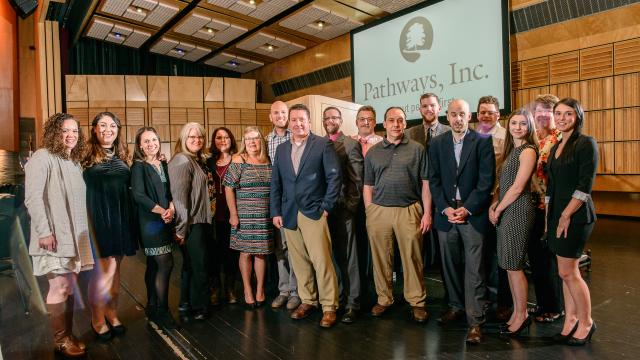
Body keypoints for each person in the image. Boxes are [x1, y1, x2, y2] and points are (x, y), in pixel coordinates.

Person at [25, 113, 92, 357]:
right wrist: (44, 231)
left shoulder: (72, 161)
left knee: (69, 286)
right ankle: (61, 340)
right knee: (59, 286)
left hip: (72, 237)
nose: (71, 135)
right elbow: (33, 197)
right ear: (55, 132)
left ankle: (69, 333)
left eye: (75, 131)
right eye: (65, 130)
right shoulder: (42, 157)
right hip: (52, 236)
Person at [428, 99, 495, 344]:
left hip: (472, 214)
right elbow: (433, 180)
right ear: (447, 116)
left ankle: (475, 321)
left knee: (474, 269)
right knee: (449, 265)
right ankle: (456, 306)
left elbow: (486, 182)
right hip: (446, 215)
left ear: (470, 117)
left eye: (462, 114)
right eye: (454, 114)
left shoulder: (482, 142)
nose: (458, 118)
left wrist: (466, 208)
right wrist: (445, 208)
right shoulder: (436, 144)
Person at [270, 103, 341, 328]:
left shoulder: (322, 144)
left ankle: (329, 306)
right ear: (289, 123)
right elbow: (276, 183)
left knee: (322, 261)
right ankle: (308, 300)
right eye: (294, 120)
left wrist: (327, 207)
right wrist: (276, 211)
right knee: (299, 262)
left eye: (302, 119)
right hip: (289, 213)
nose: (298, 123)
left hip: (314, 212)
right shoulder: (281, 149)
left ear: (309, 122)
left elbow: (334, 178)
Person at [363, 107, 431, 323]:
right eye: (391, 120)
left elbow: (426, 184)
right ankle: (384, 299)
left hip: (409, 209)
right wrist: (369, 212)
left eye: (400, 120)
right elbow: (368, 186)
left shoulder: (417, 149)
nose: (396, 124)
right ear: (384, 123)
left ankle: (417, 302)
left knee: (413, 258)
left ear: (405, 124)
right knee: (381, 259)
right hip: (379, 212)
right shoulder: (373, 152)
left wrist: (427, 213)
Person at [546, 98, 598, 346]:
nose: (562, 118)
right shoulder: (556, 145)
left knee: (569, 272)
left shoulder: (586, 143)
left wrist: (565, 215)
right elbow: (552, 186)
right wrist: (550, 217)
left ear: (577, 117)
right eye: (558, 113)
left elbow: (584, 186)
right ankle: (570, 321)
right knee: (564, 273)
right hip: (557, 215)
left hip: (576, 216)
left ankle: (586, 322)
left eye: (568, 114)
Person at [83, 111, 138, 341]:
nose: (108, 129)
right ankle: (97, 318)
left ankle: (112, 313)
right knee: (103, 273)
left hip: (121, 217)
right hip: (98, 218)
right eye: (103, 125)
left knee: (115, 273)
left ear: (118, 130)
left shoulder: (123, 155)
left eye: (112, 126)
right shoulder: (83, 155)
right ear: (94, 129)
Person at [488, 109, 538, 335]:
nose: (517, 127)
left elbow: (518, 188)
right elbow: (504, 184)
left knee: (515, 265)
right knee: (508, 264)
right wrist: (494, 203)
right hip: (507, 208)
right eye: (514, 123)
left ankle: (522, 315)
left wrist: (499, 207)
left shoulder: (528, 151)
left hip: (518, 209)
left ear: (530, 127)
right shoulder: (512, 150)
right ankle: (517, 313)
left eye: (523, 124)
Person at [131, 127, 177, 329]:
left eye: (154, 140)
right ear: (140, 145)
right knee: (165, 263)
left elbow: (171, 190)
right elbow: (139, 196)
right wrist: (162, 211)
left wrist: (172, 208)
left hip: (167, 219)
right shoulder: (138, 167)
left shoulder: (164, 163)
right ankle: (163, 311)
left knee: (154, 265)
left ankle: (152, 306)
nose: (151, 144)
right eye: (146, 141)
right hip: (150, 222)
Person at [224, 126, 274, 309]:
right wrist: (233, 214)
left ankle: (260, 290)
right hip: (244, 215)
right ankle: (247, 290)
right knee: (245, 253)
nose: (252, 142)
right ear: (244, 142)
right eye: (248, 139)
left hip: (264, 215)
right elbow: (228, 187)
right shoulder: (239, 159)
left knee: (261, 253)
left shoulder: (268, 160)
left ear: (261, 140)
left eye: (255, 138)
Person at [322, 106, 363, 323]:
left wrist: (350, 207)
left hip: (343, 209)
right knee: (331, 257)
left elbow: (356, 180)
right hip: (325, 211)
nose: (330, 120)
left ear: (341, 120)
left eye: (334, 117)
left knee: (350, 257)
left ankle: (353, 302)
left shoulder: (350, 144)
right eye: (326, 118)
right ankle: (336, 298)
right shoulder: (319, 143)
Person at [168, 122, 212, 321]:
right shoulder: (182, 161)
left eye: (200, 137)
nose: (197, 140)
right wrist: (181, 229)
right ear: (184, 139)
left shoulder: (194, 160)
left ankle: (186, 303)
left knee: (191, 266)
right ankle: (200, 307)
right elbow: (179, 199)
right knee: (200, 266)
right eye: (192, 137)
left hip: (197, 221)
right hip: (191, 223)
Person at [475, 95, 511, 321]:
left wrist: (498, 200)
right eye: (482, 112)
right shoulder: (473, 136)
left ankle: (505, 302)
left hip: (500, 201)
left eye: (490, 112)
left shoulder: (506, 136)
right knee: (483, 253)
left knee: (502, 254)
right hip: (478, 202)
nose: (486, 115)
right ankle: (486, 297)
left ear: (498, 114)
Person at [529, 94, 565, 323]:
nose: (542, 114)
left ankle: (554, 307)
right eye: (538, 110)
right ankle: (543, 303)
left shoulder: (560, 139)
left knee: (550, 259)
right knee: (537, 259)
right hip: (534, 206)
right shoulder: (537, 140)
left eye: (547, 110)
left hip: (552, 208)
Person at [266, 101, 300, 310]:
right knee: (280, 250)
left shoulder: (296, 136)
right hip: (276, 201)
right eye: (276, 113)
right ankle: (284, 290)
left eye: (283, 112)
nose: (280, 116)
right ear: (270, 117)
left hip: (294, 202)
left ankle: (297, 292)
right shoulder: (266, 140)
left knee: (295, 250)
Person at [206, 127, 239, 305]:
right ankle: (215, 289)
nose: (223, 140)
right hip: (212, 214)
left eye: (226, 137)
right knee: (213, 254)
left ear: (231, 139)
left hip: (231, 213)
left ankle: (230, 289)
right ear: (214, 141)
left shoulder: (237, 160)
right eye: (219, 137)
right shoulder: (208, 161)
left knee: (231, 253)